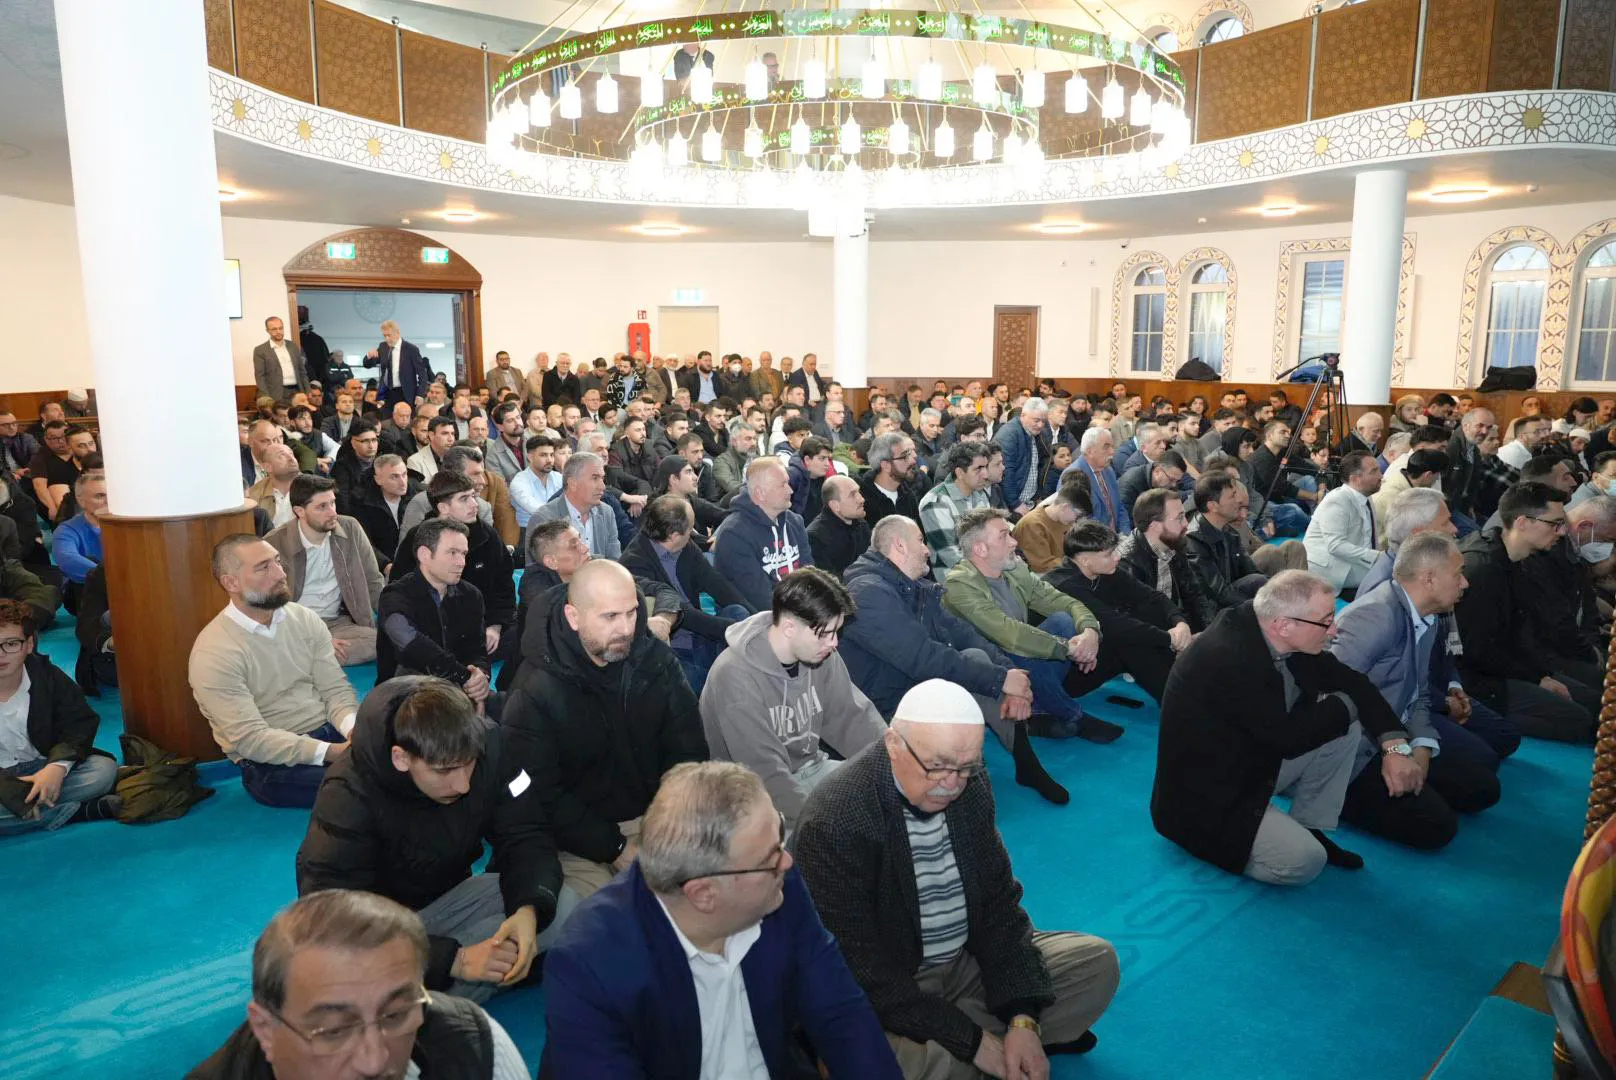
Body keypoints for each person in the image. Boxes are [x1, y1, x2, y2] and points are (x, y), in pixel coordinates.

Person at [791, 679, 1120, 1077]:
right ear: (894, 745)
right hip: (892, 987)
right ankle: (973, 1046)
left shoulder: (971, 785)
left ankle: (986, 1045)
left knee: (1096, 964)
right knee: (886, 1061)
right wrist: (971, 1040)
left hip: (964, 966)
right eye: (938, 766)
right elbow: (863, 973)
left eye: (967, 767)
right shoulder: (836, 820)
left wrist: (1022, 1017)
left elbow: (999, 904)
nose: (952, 784)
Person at [543, 761, 902, 1078]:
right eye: (771, 855)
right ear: (703, 894)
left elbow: (841, 1012)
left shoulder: (778, 886)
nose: (787, 861)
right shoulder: (588, 964)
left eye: (779, 835)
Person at [296, 677, 566, 1003]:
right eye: (445, 771)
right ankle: (443, 987)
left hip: (447, 901)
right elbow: (331, 915)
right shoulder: (348, 792)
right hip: (380, 927)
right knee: (352, 971)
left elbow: (526, 832)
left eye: (470, 766)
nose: (464, 785)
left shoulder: (490, 744)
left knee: (565, 903)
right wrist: (456, 960)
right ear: (401, 758)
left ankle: (432, 996)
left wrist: (528, 911)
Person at [1153, 570, 1413, 885]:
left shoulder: (1270, 629)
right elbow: (1288, 738)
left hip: (1244, 758)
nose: (1334, 629)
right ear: (1284, 625)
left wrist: (1394, 745)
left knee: (1344, 731)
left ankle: (1309, 827)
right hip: (1203, 799)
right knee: (1305, 863)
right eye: (1327, 620)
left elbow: (1352, 681)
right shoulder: (1229, 659)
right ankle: (1218, 845)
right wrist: (1346, 704)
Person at [503, 560, 707, 903]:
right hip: (578, 841)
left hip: (658, 815)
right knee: (612, 920)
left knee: (718, 886)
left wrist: (669, 821)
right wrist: (614, 846)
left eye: (631, 612)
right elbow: (539, 793)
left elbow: (688, 750)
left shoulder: (655, 660)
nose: (626, 628)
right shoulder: (534, 691)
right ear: (573, 617)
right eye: (610, 617)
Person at [185, 889, 529, 1080]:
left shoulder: (477, 1045)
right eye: (333, 1030)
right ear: (266, 1030)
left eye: (395, 1015)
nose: (375, 1061)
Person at [839, 516, 1066, 804]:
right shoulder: (868, 592)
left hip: (912, 685)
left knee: (976, 657)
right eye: (920, 541)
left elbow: (963, 634)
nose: (927, 550)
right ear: (899, 545)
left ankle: (1024, 763)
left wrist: (1010, 676)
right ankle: (972, 780)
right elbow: (922, 658)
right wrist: (1000, 680)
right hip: (885, 704)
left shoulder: (912, 585)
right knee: (968, 671)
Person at [1327, 533, 1499, 850]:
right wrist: (1392, 750)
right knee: (1437, 827)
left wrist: (1421, 746)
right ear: (1429, 578)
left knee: (1483, 788)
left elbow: (1417, 695)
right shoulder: (1374, 617)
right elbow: (1330, 699)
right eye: (1457, 574)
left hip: (1393, 736)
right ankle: (1330, 797)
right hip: (1350, 749)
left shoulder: (1429, 617)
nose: (1465, 584)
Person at [700, 568, 885, 830]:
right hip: (748, 796)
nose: (834, 643)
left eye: (837, 632)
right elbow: (765, 773)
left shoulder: (821, 655)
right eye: (825, 633)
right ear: (789, 628)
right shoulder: (734, 675)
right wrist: (822, 824)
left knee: (891, 807)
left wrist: (895, 763)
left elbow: (854, 718)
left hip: (812, 768)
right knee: (838, 844)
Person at [189, 535, 360, 809]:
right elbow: (251, 739)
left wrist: (354, 732)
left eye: (277, 562)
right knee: (366, 784)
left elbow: (335, 690)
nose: (281, 574)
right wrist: (333, 753)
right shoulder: (214, 652)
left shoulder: (303, 618)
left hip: (331, 733)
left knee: (408, 758)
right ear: (231, 582)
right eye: (263, 567)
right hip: (272, 761)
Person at [941, 507, 1117, 743]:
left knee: (1064, 621)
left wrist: (1089, 631)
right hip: (986, 667)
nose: (1014, 542)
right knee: (1019, 647)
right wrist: (1071, 649)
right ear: (980, 549)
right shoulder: (959, 585)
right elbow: (1008, 634)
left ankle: (1038, 708)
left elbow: (1059, 600)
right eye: (1004, 536)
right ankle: (1072, 714)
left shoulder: (1014, 569)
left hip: (1019, 657)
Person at [1456, 482, 1601, 741]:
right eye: (1554, 524)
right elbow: (1477, 651)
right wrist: (1537, 678)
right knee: (1583, 721)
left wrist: (1542, 673)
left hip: (1514, 664)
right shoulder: (1482, 570)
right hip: (1481, 679)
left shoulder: (1521, 560)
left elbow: (1525, 632)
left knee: (1597, 703)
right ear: (1523, 522)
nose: (1561, 532)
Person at [0, 598, 119, 834]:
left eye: (11, 643)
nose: (1, 654)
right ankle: (76, 812)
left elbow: (78, 725)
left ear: (29, 644)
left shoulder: (48, 677)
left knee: (103, 771)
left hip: (42, 766)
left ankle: (26, 811)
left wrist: (56, 768)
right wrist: (9, 791)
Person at [621, 495, 752, 693]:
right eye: (690, 529)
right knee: (694, 681)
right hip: (675, 648)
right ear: (674, 535)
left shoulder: (685, 546)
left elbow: (716, 583)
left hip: (703, 636)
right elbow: (682, 614)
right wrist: (734, 630)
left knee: (738, 610)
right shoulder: (634, 564)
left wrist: (755, 619)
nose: (692, 534)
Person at [1044, 522, 1180, 705]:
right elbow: (1115, 625)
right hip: (1064, 671)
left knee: (1147, 612)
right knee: (1128, 638)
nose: (1117, 557)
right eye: (1109, 554)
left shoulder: (1103, 570)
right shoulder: (1065, 585)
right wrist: (1169, 639)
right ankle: (1178, 702)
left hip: (1092, 656)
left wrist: (1179, 624)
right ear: (1085, 560)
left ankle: (1183, 686)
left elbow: (1152, 597)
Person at [378, 519, 494, 716]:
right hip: (406, 696)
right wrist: (464, 677)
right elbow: (413, 646)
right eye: (452, 553)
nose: (461, 562)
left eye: (464, 554)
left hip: (459, 687)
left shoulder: (471, 595)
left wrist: (480, 678)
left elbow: (477, 649)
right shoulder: (396, 596)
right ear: (424, 554)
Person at [265, 475, 384, 667]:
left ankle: (306, 658)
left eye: (333, 503)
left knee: (379, 643)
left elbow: (373, 580)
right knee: (270, 646)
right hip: (295, 627)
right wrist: (312, 640)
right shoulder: (274, 542)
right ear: (299, 511)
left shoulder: (350, 528)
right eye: (322, 507)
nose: (332, 513)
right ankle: (315, 653)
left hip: (338, 624)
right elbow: (267, 604)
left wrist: (391, 617)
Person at [711, 456, 813, 611]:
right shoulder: (734, 534)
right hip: (758, 621)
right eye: (783, 485)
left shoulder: (795, 522)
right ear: (760, 494)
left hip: (798, 611)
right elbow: (759, 599)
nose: (791, 490)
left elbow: (810, 574)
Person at [1116, 486, 1219, 632]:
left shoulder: (1173, 543)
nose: (1185, 524)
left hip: (1174, 623)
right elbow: (1137, 623)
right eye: (1179, 518)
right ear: (1155, 525)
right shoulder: (1128, 563)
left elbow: (1194, 594)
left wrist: (1210, 633)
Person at [1302, 450, 1382, 595]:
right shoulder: (1337, 501)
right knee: (1388, 577)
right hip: (1332, 568)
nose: (1380, 475)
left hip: (1351, 561)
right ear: (1356, 479)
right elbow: (1335, 545)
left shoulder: (1366, 497)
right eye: (1374, 471)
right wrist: (1376, 557)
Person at [1184, 472, 1268, 608]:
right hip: (1213, 613)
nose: (1238, 501)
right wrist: (1261, 607)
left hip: (1231, 596)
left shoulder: (1228, 532)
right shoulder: (1194, 540)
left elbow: (1250, 570)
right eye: (1232, 496)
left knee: (1267, 582)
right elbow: (1219, 593)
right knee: (1258, 582)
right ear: (1213, 506)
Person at [526, 451, 621, 559]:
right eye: (595, 478)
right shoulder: (544, 518)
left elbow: (615, 560)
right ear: (573, 483)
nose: (602, 486)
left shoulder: (606, 512)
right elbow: (537, 571)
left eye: (602, 478)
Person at [919, 441, 993, 580]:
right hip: (954, 580)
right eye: (978, 469)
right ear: (959, 473)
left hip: (984, 571)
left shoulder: (980, 494)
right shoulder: (936, 502)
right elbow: (951, 556)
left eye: (986, 467)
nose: (985, 474)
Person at [1010, 471, 1091, 574]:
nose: (1076, 520)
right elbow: (1042, 565)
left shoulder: (1064, 519)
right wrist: (1080, 564)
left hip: (1064, 568)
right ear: (1065, 507)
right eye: (1078, 515)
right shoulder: (1033, 525)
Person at [806, 473, 869, 578]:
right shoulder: (816, 538)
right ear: (835, 505)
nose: (861, 499)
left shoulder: (862, 525)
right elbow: (828, 584)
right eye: (853, 494)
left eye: (859, 492)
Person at [51, 470, 105, 592]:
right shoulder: (66, 530)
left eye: (110, 495)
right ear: (81, 501)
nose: (108, 501)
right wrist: (113, 576)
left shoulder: (126, 526)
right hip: (87, 589)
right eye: (100, 496)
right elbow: (68, 559)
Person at [994, 397, 1048, 517]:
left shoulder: (1036, 433)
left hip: (1029, 502)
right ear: (1023, 415)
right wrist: (1015, 504)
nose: (1040, 425)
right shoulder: (1009, 434)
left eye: (1043, 421)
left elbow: (1041, 466)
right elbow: (1006, 472)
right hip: (1012, 505)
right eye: (1036, 420)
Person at [1069, 426, 1127, 533]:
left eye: (1112, 446)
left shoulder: (1108, 471)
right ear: (1090, 451)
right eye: (1106, 447)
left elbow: (1120, 507)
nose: (1112, 452)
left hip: (1117, 537)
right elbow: (1081, 521)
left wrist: (1125, 535)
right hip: (1096, 542)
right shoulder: (1073, 475)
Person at [861, 432, 925, 528]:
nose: (913, 461)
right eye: (904, 457)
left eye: (909, 454)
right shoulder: (864, 502)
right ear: (886, 465)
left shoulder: (908, 495)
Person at [364, 319, 433, 407]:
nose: (387, 338)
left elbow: (422, 374)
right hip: (386, 393)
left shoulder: (411, 349)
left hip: (406, 393)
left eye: (389, 335)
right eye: (384, 336)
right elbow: (367, 365)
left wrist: (420, 394)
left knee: (405, 419)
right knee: (385, 420)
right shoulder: (383, 347)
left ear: (397, 333)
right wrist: (369, 356)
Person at [508, 434, 563, 529]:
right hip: (529, 531)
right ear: (530, 457)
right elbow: (540, 512)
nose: (549, 460)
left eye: (552, 455)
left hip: (556, 529)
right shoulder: (519, 482)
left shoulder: (558, 477)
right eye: (543, 455)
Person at [252, 315, 309, 401]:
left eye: (280, 328)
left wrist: (307, 390)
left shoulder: (292, 346)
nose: (278, 331)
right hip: (276, 393)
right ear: (268, 331)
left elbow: (302, 371)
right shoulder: (260, 350)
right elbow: (260, 377)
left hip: (297, 391)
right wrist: (266, 397)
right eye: (274, 329)